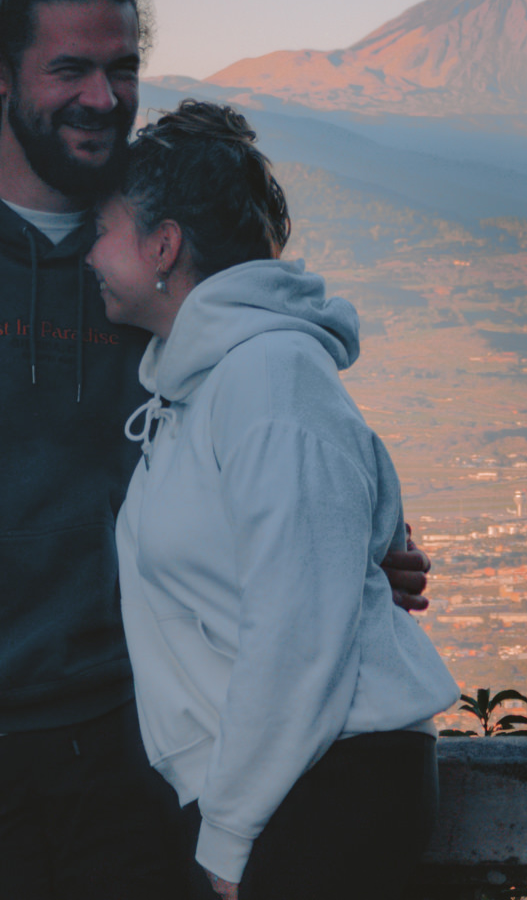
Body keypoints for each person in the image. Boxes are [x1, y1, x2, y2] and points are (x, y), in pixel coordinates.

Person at [0, 0, 432, 900]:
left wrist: (362, 533)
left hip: (138, 733)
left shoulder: (179, 278)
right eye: (69, 68)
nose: (103, 99)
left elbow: (278, 422)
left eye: (121, 69)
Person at [88, 99, 459, 900]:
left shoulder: (268, 378)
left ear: (163, 244)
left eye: (103, 230)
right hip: (282, 783)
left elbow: (297, 633)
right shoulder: (204, 384)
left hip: (325, 787)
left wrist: (227, 843)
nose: (89, 253)